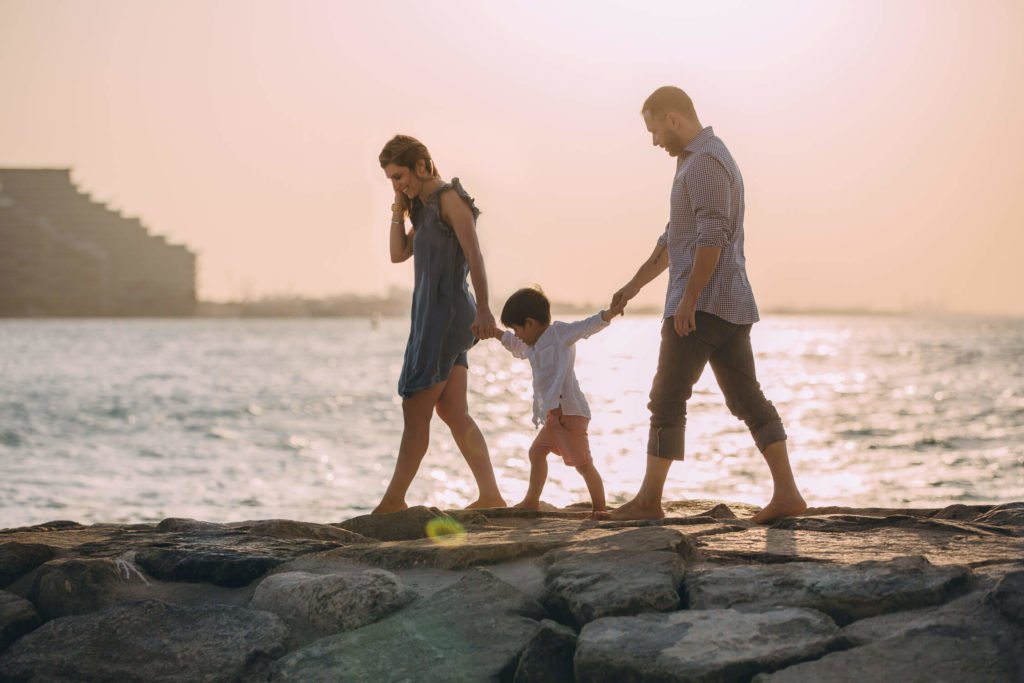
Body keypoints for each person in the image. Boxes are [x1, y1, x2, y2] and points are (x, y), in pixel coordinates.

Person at [607, 86, 806, 525]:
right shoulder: (697, 161)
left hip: (704, 306)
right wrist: (632, 287)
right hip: (726, 305)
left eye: (654, 129)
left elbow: (712, 236)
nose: (654, 140)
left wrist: (688, 300)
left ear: (673, 119)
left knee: (667, 397)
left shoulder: (705, 163)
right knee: (746, 399)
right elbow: (672, 240)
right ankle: (788, 494)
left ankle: (647, 502)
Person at [374, 134, 506, 514]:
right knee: (452, 411)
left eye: (399, 177)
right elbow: (398, 254)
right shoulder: (425, 208)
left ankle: (393, 502)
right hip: (432, 316)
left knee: (415, 411)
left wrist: (484, 309)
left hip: (445, 318)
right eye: (391, 181)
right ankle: (492, 497)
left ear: (422, 165)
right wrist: (398, 208)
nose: (398, 186)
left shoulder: (450, 199)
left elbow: (475, 255)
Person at [487, 287, 623, 518]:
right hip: (554, 417)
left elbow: (586, 326)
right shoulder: (532, 345)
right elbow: (516, 346)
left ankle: (600, 508)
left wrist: (608, 314)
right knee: (537, 452)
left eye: (517, 328)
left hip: (570, 415)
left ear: (530, 323)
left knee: (583, 464)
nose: (516, 334)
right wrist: (497, 333)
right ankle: (531, 501)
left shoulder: (559, 334)